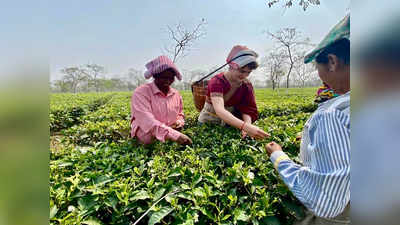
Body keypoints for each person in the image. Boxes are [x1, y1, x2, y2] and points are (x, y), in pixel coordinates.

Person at [265, 14, 350, 224]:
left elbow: (326, 197)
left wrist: (279, 157)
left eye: (317, 67)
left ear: (332, 61)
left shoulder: (333, 114)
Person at [198, 45, 269, 139]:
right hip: (208, 121)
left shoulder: (246, 85)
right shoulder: (217, 81)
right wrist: (245, 126)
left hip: (230, 123)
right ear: (231, 66)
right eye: (241, 71)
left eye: (248, 72)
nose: (244, 75)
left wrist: (247, 126)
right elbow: (220, 110)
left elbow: (247, 108)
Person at [130, 55, 192, 145]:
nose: (167, 81)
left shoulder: (176, 94)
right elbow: (147, 121)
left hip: (171, 138)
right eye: (163, 77)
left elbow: (180, 113)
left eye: (171, 78)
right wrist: (175, 135)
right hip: (147, 140)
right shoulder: (141, 92)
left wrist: (179, 122)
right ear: (155, 76)